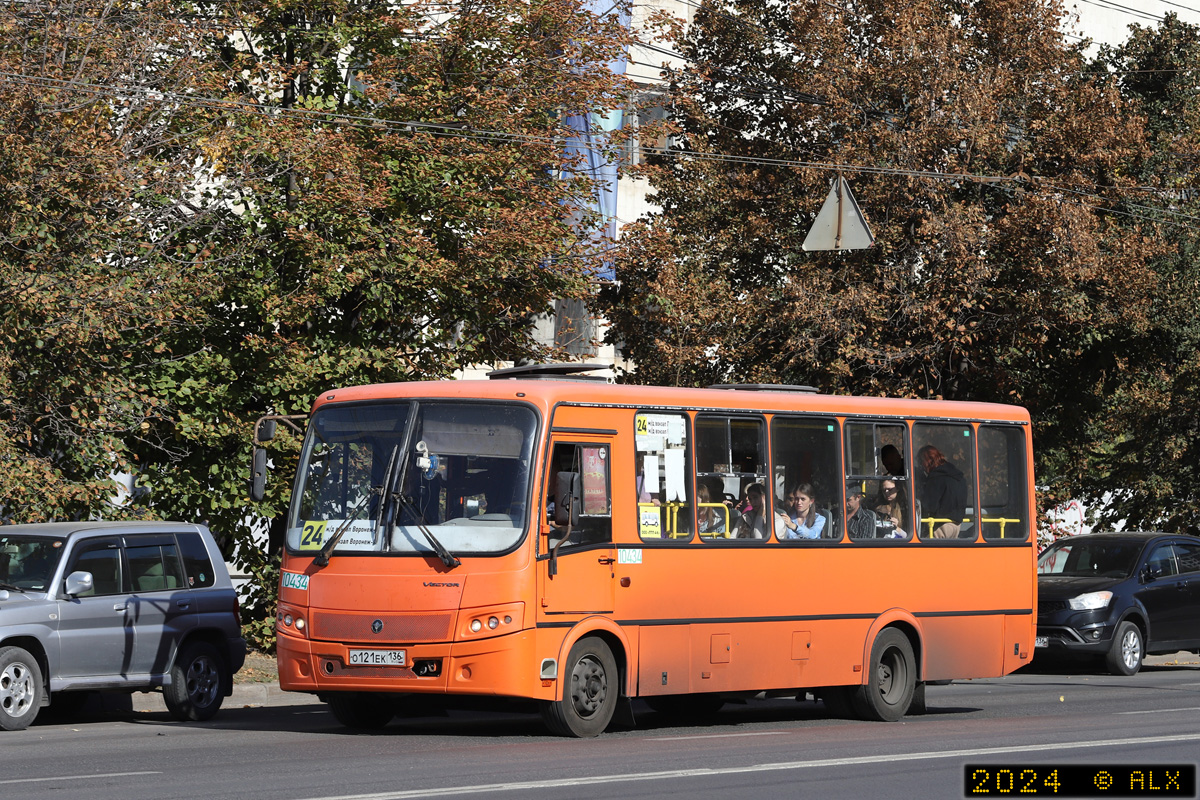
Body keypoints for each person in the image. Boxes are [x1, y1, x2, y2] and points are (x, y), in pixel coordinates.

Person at [917, 445, 967, 538]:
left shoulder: (936, 478)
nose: (921, 465)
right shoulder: (958, 476)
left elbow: (930, 506)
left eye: (921, 461)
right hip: (957, 525)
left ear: (929, 460)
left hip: (940, 525)